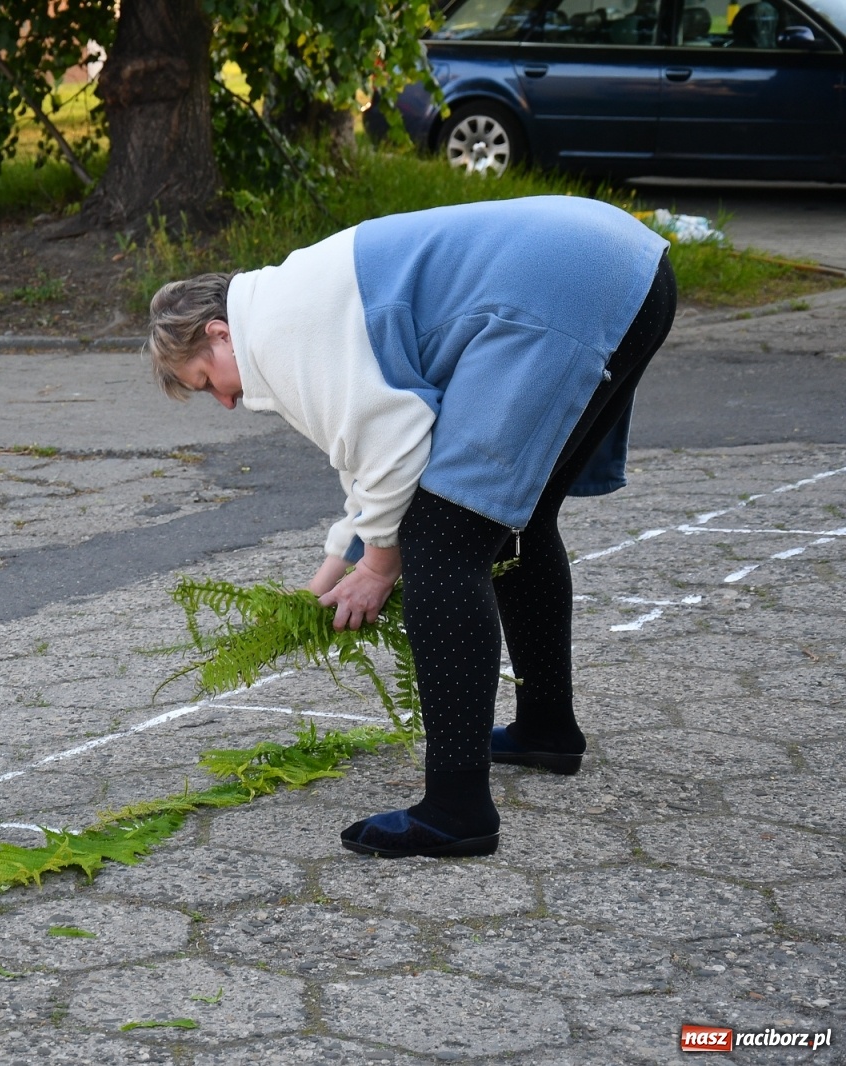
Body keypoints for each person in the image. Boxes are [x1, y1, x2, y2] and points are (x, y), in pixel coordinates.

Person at [146, 196, 675, 859]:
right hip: (624, 267)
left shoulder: (277, 334)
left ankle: (456, 811)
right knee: (512, 518)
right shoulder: (285, 300)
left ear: (219, 333)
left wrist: (378, 568)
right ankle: (546, 729)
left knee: (440, 543)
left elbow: (398, 448)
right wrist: (333, 569)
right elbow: (367, 461)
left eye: (206, 383)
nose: (225, 402)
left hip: (570, 286)